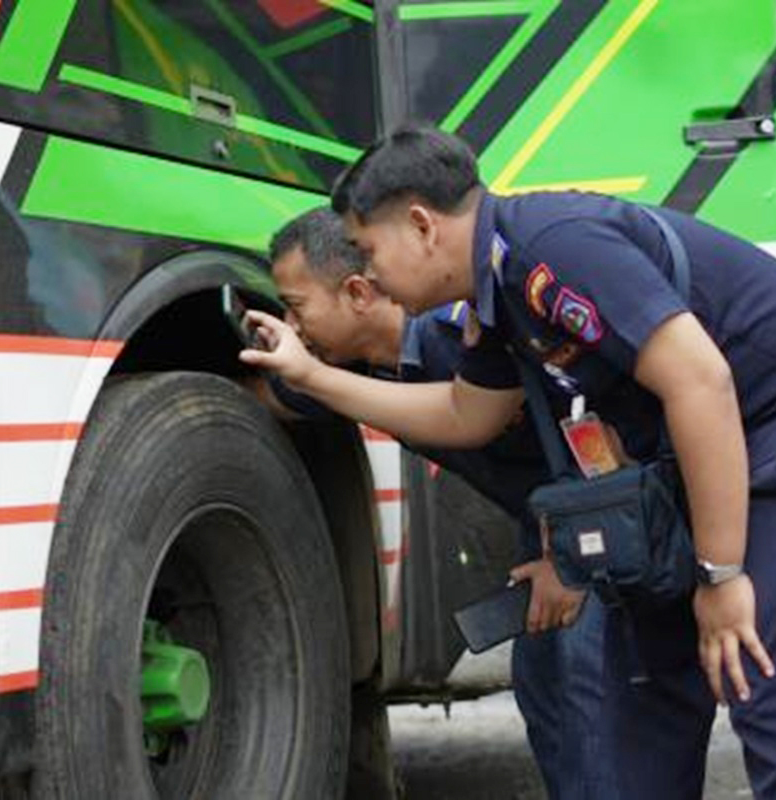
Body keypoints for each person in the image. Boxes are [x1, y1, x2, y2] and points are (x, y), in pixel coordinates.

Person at [240, 127, 776, 799]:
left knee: (764, 681)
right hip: (695, 450)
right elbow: (467, 415)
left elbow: (701, 382)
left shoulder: (554, 247)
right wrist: (314, 378)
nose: (370, 275)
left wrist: (723, 575)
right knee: (647, 698)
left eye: (367, 249)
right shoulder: (493, 295)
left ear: (420, 225)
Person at [254, 207, 616, 800]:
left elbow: (592, 431)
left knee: (590, 689)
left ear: (356, 293)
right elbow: (277, 392)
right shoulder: (365, 367)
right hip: (545, 521)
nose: (294, 327)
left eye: (297, 308)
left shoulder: (462, 337)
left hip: (595, 515)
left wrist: (573, 560)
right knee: (544, 686)